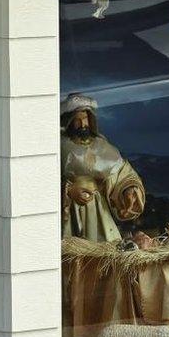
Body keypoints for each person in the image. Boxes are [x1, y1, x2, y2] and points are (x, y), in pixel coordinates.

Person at [60, 93, 145, 242]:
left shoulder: (102, 146)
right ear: (69, 122)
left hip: (98, 211)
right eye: (78, 120)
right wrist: (68, 191)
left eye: (86, 119)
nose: (82, 124)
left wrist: (129, 190)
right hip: (68, 210)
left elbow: (122, 174)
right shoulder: (60, 146)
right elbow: (43, 178)